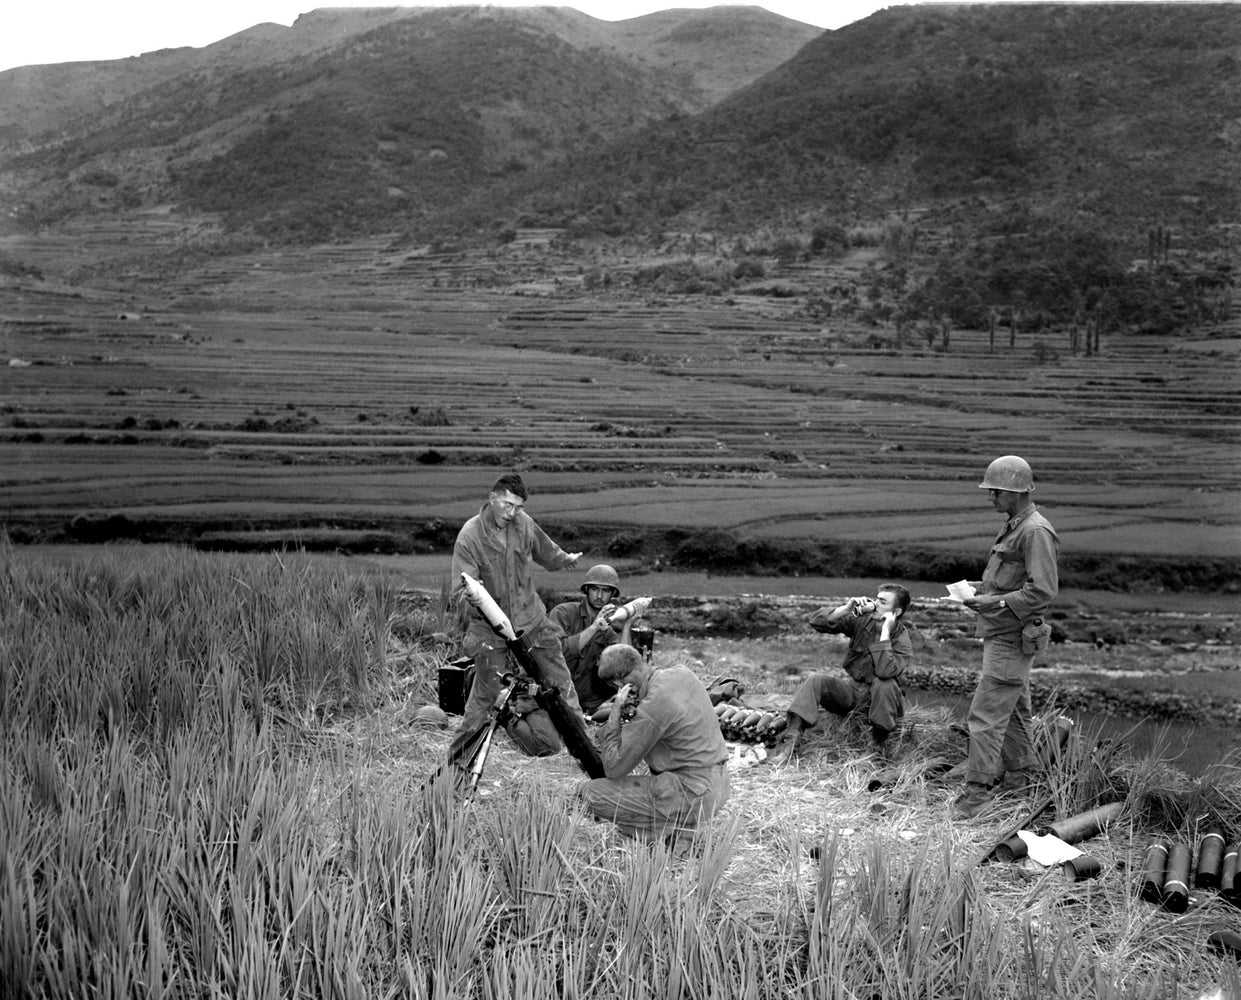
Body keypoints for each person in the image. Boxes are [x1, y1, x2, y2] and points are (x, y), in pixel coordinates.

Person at [952, 455, 1059, 820]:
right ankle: (1021, 779)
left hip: (1011, 638)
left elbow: (1042, 591)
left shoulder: (1034, 531)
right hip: (1003, 632)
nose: (990, 497)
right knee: (1013, 711)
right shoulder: (1017, 526)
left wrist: (992, 601)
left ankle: (975, 797)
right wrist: (980, 592)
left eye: (995, 491)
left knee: (985, 716)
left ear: (1016, 492)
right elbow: (1010, 581)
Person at [450, 472, 584, 758]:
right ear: (493, 498)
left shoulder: (524, 524)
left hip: (531, 618)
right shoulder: (469, 536)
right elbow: (460, 589)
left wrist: (565, 560)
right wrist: (473, 597)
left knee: (559, 678)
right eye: (508, 505)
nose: (513, 513)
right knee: (485, 695)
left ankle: (582, 745)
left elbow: (547, 552)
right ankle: (458, 758)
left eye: (519, 507)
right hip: (489, 627)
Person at [578, 645, 730, 844]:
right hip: (719, 784)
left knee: (590, 793)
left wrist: (614, 716)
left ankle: (670, 830)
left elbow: (614, 769)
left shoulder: (652, 709)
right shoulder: (682, 673)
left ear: (619, 683)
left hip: (693, 794)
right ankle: (675, 827)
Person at [773, 584, 913, 765]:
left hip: (883, 700)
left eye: (883, 602)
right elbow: (817, 621)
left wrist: (885, 631)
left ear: (897, 611)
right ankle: (791, 742)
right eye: (877, 598)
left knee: (883, 683)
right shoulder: (864, 621)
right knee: (816, 680)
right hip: (855, 691)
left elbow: (885, 672)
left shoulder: (902, 639)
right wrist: (846, 609)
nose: (876, 603)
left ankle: (877, 748)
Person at [548, 563, 638, 715]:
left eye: (605, 591)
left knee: (630, 701)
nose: (599, 596)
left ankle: (588, 715)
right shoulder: (563, 613)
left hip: (585, 697)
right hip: (553, 688)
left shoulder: (607, 632)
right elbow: (557, 652)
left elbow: (624, 664)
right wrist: (595, 626)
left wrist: (627, 626)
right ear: (587, 590)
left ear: (612, 595)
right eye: (595, 589)